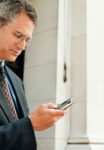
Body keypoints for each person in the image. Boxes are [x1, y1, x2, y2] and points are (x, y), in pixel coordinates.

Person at [0, 0, 66, 149]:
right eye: (18, 36)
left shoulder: (16, 81)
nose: (23, 46)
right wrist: (30, 124)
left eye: (27, 40)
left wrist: (35, 121)